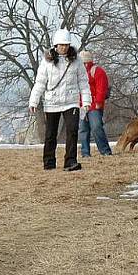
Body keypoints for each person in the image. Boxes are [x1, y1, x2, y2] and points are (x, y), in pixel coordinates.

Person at [29, 29, 92, 171]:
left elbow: (83, 81)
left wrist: (86, 101)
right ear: (55, 45)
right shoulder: (47, 62)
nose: (64, 47)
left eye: (66, 44)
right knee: (50, 134)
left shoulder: (77, 61)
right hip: (52, 102)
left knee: (72, 130)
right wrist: (34, 101)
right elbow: (40, 82)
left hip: (71, 101)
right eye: (61, 45)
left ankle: (70, 161)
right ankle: (49, 162)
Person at [77, 51, 112, 157]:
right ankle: (85, 153)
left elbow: (101, 88)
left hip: (94, 105)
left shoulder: (97, 71)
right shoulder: (77, 73)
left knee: (96, 127)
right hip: (81, 105)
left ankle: (105, 150)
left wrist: (99, 102)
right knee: (83, 129)